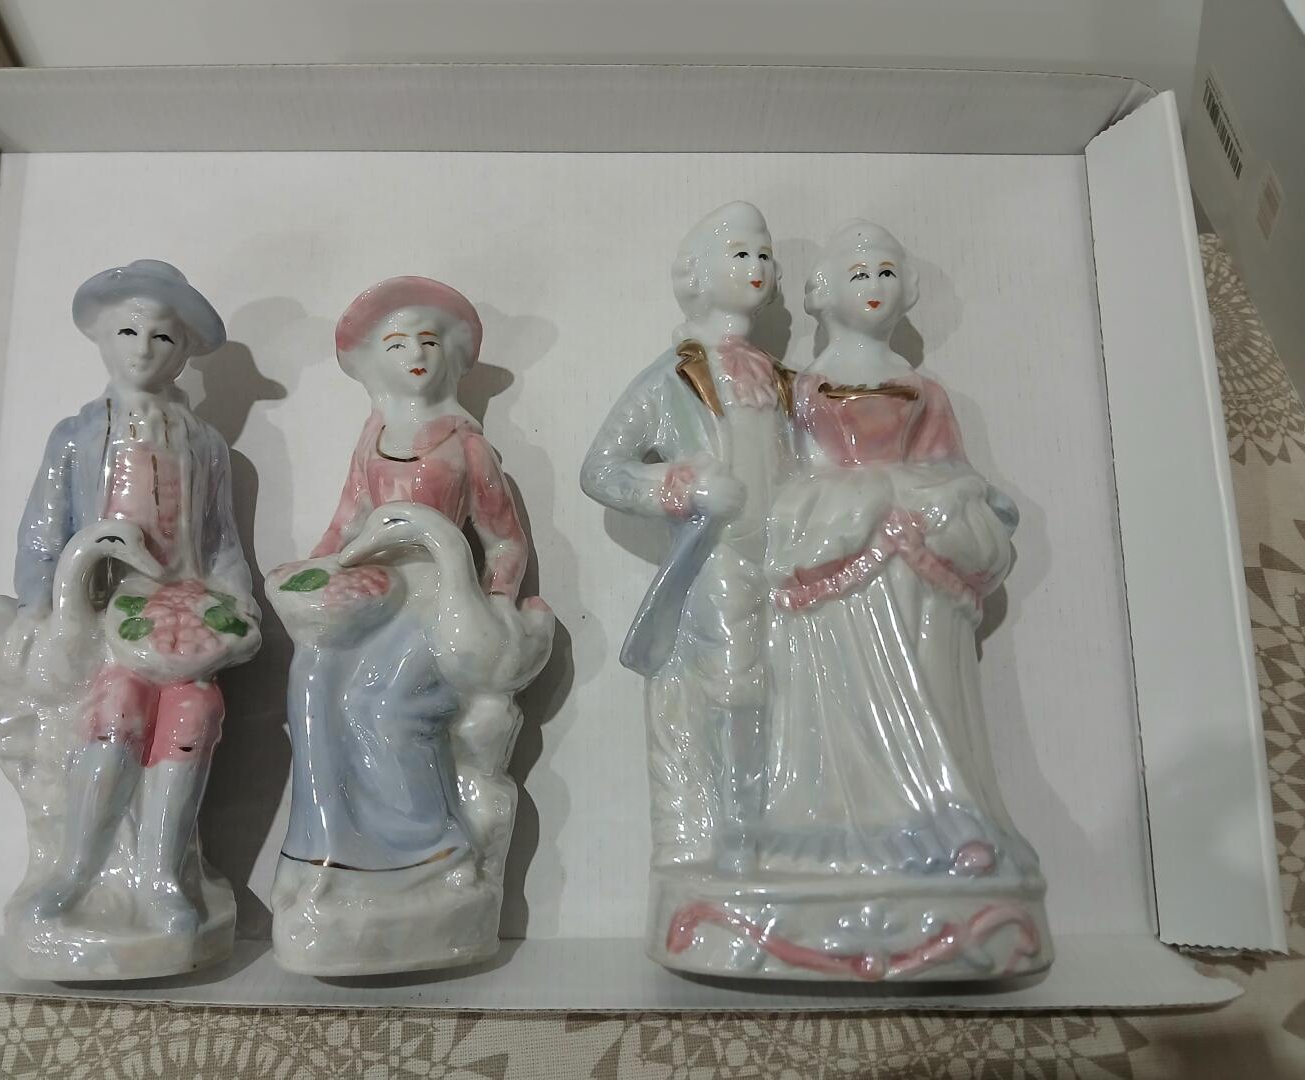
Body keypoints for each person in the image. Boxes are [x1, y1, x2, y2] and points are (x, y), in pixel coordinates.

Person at [761, 221, 1039, 878]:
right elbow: (795, 470)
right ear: (825, 292)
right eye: (859, 274)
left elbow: (951, 468)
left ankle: (942, 813)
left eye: (887, 272)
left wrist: (936, 498)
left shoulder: (924, 389)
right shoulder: (803, 389)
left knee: (928, 681)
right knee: (841, 687)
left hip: (914, 551)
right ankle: (841, 821)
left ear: (907, 289)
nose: (876, 286)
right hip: (839, 544)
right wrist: (853, 504)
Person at [17, 259, 256, 933]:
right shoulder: (77, 436)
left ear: (183, 353)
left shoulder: (205, 445)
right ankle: (78, 869)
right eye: (128, 332)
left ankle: (162, 874)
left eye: (163, 337)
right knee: (119, 710)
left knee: (196, 709)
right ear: (101, 338)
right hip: (104, 611)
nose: (144, 349)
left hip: (183, 609)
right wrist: (44, 606)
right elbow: (42, 531)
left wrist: (237, 602)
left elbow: (220, 539)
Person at [279, 276, 530, 875]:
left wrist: (495, 605)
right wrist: (311, 571)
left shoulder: (466, 445)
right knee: (310, 680)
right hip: (373, 595)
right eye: (397, 344)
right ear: (374, 361)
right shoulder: (372, 439)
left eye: (429, 341)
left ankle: (427, 845)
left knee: (384, 705)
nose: (416, 354)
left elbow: (505, 540)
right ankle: (327, 843)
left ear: (451, 356)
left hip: (436, 599)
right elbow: (346, 522)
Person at [580, 202, 791, 873]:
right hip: (720, 556)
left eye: (764, 255)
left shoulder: (780, 378)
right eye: (740, 254)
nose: (757, 266)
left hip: (790, 557)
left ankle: (778, 826)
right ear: (696, 275)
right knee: (732, 684)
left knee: (789, 688)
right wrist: (684, 486)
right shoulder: (671, 378)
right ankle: (734, 832)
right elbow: (602, 469)